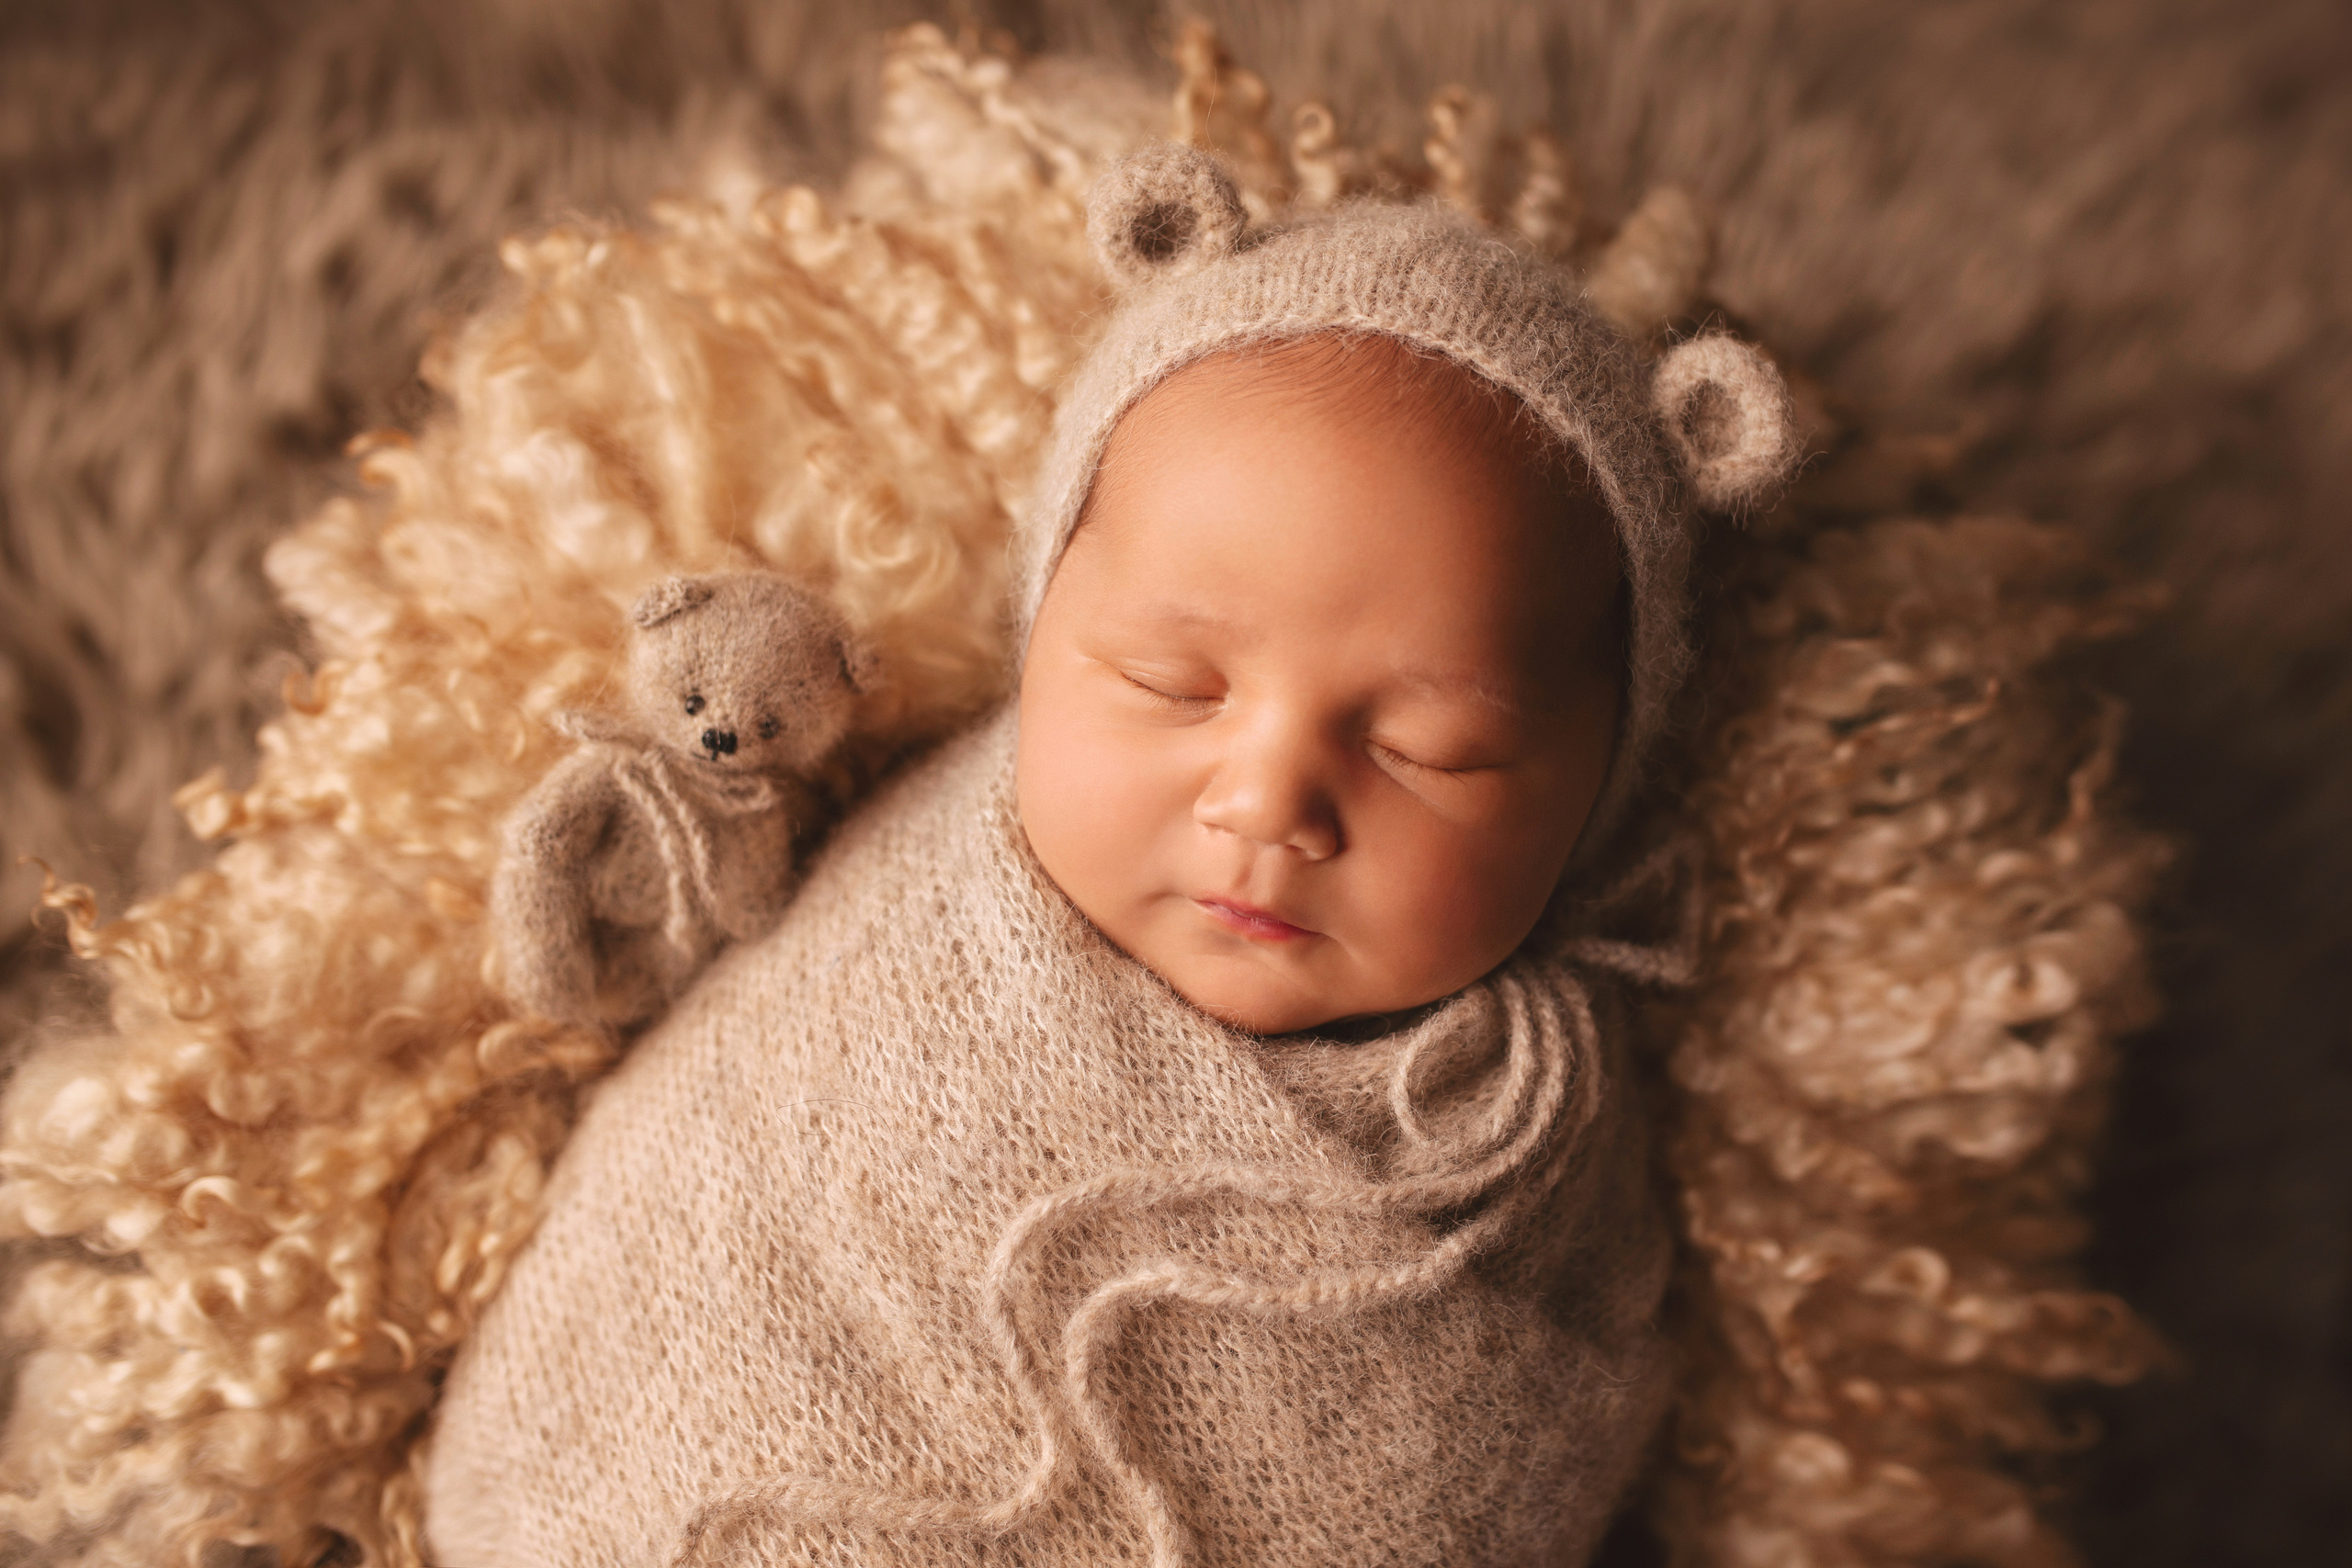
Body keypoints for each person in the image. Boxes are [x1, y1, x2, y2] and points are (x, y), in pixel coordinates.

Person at [421, 142, 1797, 1568]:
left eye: (1427, 750)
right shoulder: (903, 918)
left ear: (1595, 795)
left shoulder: (1541, 1166)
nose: (1270, 805)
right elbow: (700, 1223)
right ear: (1041, 647)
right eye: (1168, 682)